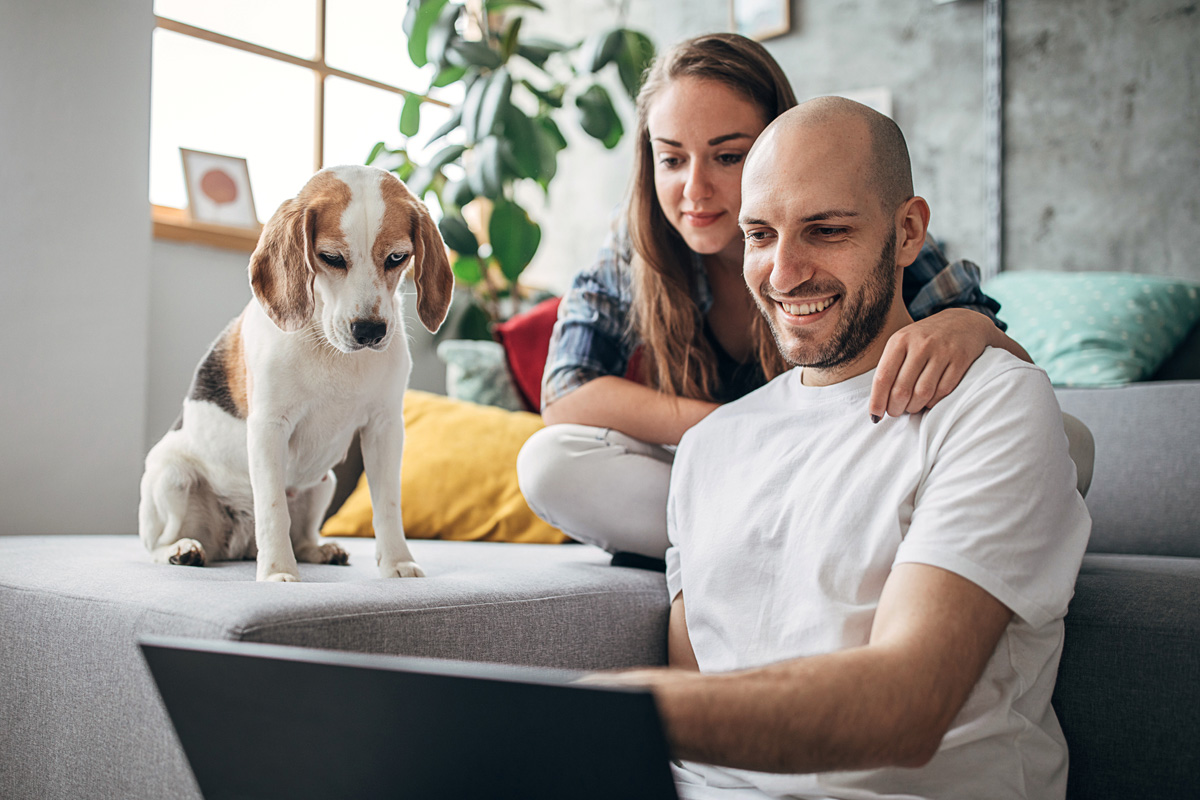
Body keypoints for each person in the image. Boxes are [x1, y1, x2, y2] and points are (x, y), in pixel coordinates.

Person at [592, 96, 1091, 800]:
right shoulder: (709, 447)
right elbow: (702, 720)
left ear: (909, 230)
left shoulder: (990, 404)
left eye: (825, 230)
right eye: (760, 235)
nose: (784, 272)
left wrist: (600, 709)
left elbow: (905, 706)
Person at [516, 33, 1040, 563]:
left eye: (728, 156)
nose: (695, 189)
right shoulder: (637, 243)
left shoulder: (864, 226)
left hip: (853, 467)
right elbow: (567, 392)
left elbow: (1009, 372)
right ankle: (783, 546)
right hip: (726, 475)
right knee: (549, 463)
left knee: (1066, 443)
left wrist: (968, 326)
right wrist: (752, 430)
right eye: (672, 160)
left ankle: (779, 547)